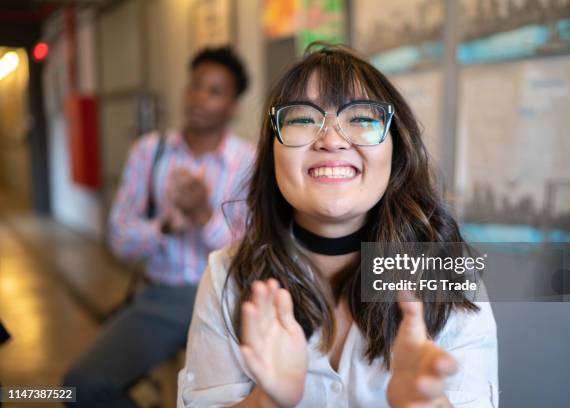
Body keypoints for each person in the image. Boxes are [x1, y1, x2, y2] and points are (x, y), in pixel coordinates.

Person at [178, 44, 498, 408]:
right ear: (272, 153)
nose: (331, 140)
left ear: (396, 149)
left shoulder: (445, 273)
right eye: (302, 119)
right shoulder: (226, 276)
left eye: (361, 119)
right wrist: (266, 401)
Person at [63, 47, 254, 407]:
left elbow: (251, 253)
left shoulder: (249, 161)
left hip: (228, 298)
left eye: (215, 91)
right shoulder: (150, 152)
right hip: (161, 297)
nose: (200, 97)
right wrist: (165, 224)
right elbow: (119, 240)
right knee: (79, 385)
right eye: (195, 86)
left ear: (233, 105)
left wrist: (201, 214)